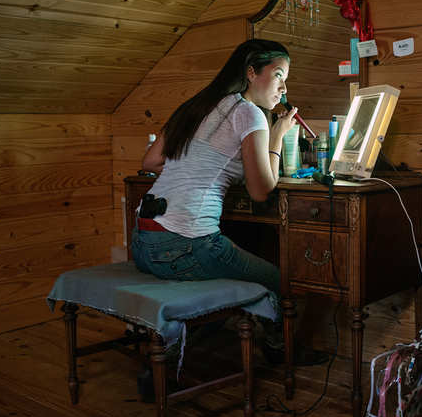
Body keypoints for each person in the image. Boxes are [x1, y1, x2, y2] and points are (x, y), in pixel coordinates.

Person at [132, 39, 325, 365]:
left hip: (143, 241)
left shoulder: (197, 105)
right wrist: (278, 134)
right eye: (278, 75)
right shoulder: (250, 114)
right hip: (184, 247)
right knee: (279, 280)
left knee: (238, 256)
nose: (283, 86)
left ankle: (179, 348)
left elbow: (150, 162)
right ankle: (279, 351)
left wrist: (196, 167)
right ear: (251, 72)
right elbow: (261, 191)